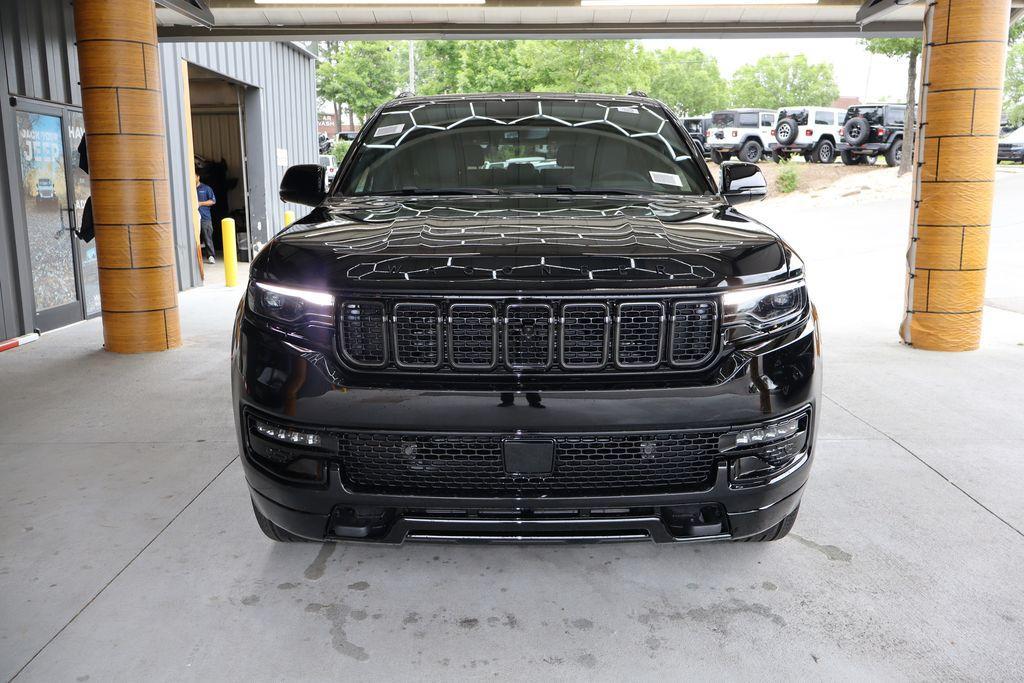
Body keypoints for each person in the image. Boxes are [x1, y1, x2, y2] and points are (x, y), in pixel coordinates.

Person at [195, 174, 217, 264]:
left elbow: (213, 201)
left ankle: (211, 256)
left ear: (198, 177)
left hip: (205, 217)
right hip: (193, 218)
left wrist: (200, 203)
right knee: (194, 238)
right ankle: (195, 258)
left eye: (194, 176)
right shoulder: (189, 189)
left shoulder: (206, 188)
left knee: (207, 237)